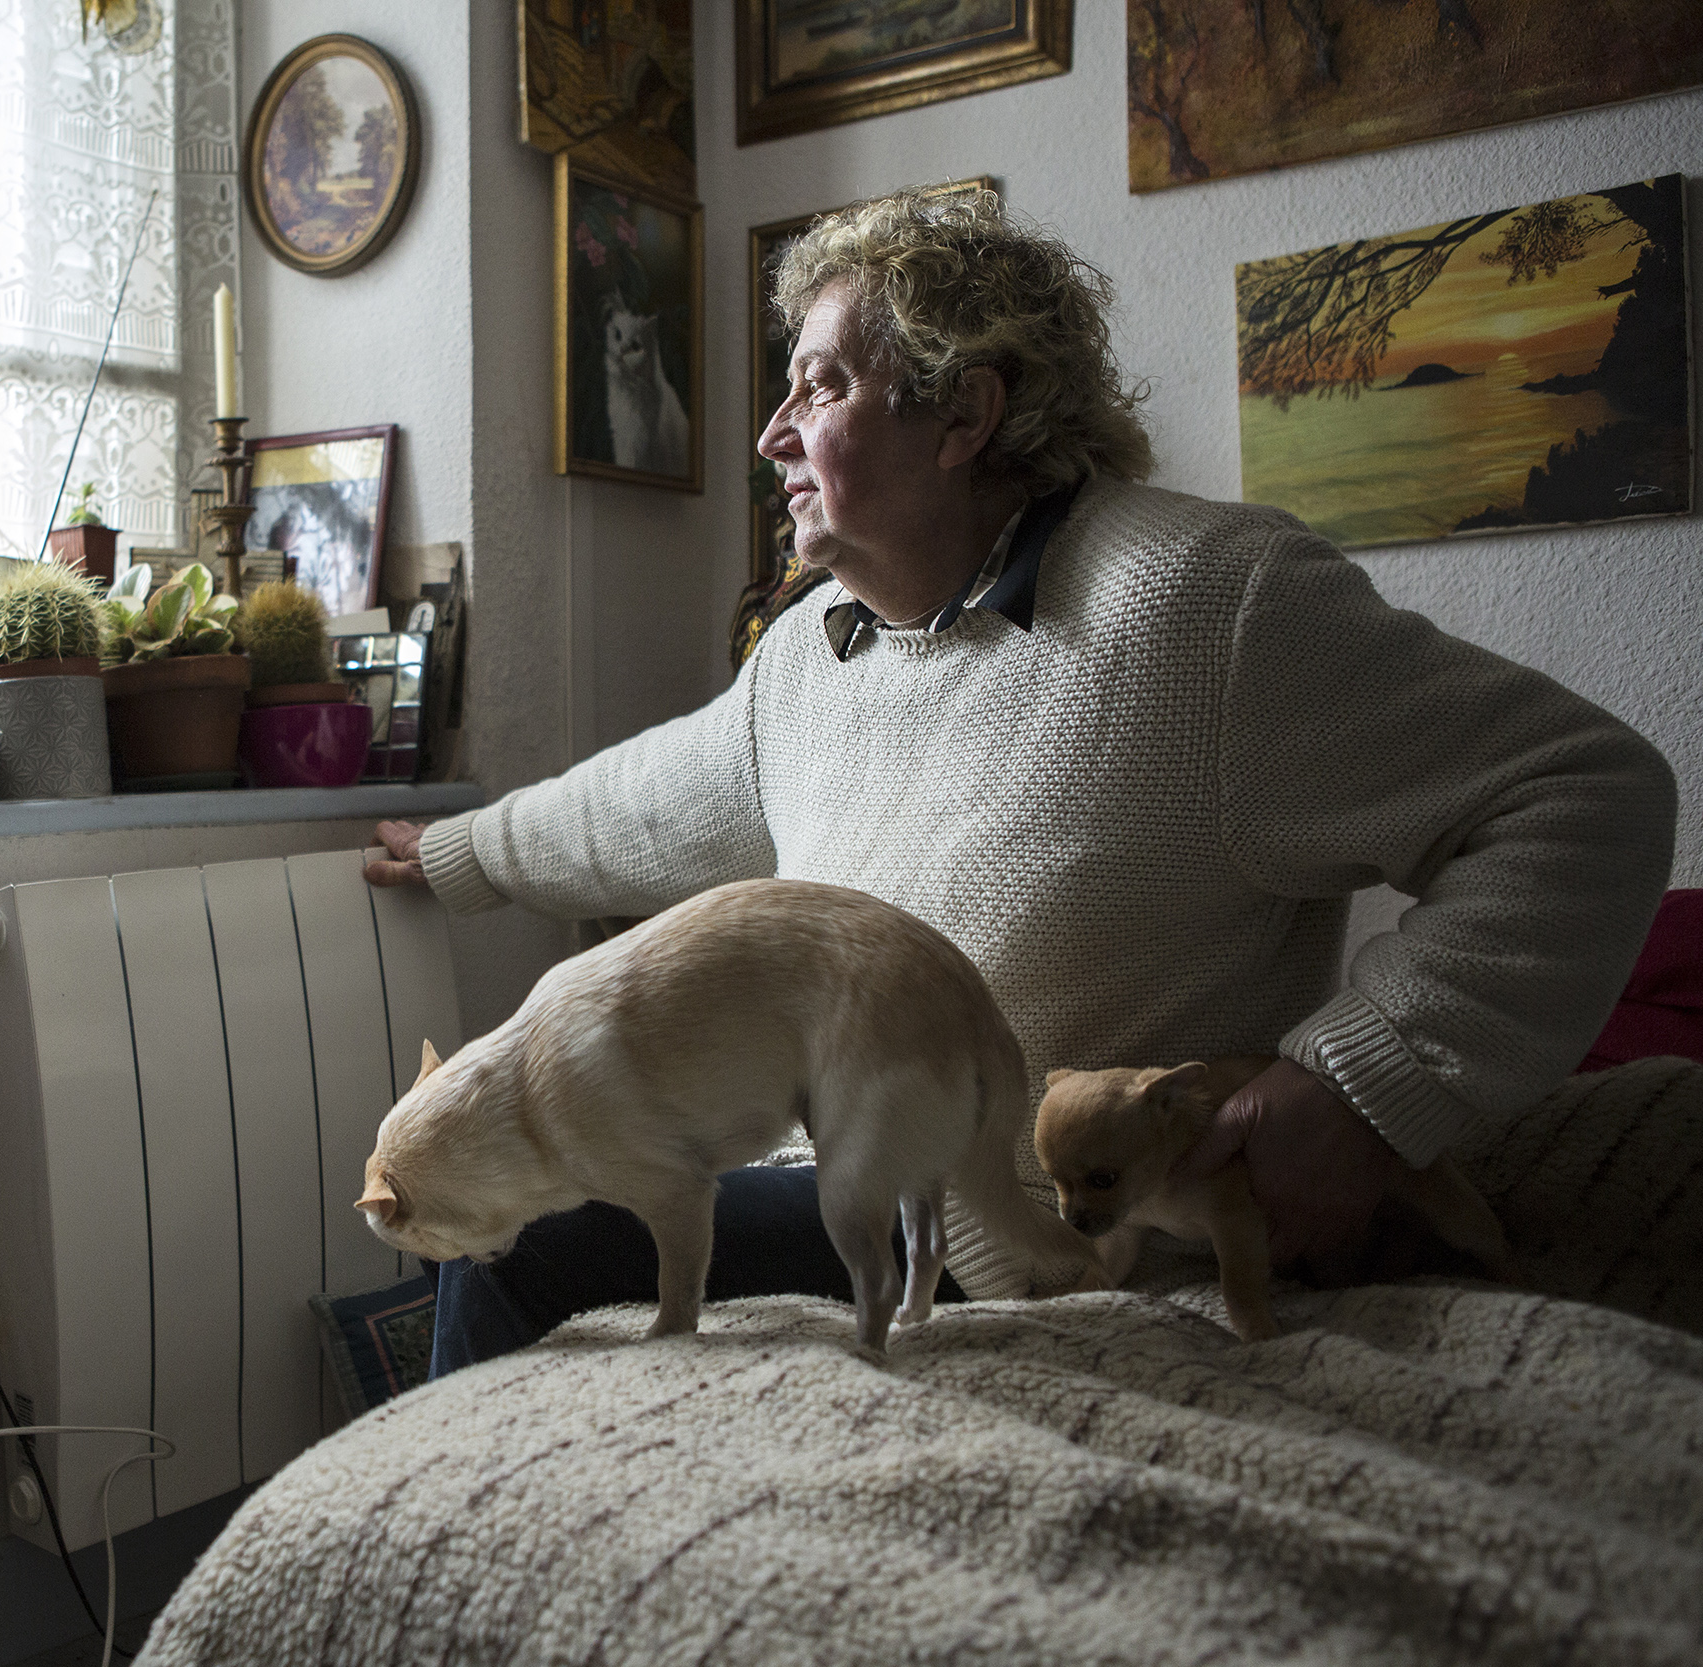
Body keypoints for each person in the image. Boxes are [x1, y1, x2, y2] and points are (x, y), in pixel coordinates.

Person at [364, 186, 1678, 1379]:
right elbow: (643, 806)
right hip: (845, 1195)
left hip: (1042, 1258)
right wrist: (461, 855)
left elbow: (1577, 794)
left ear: (964, 413)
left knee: (529, 1246)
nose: (770, 434)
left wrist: (1359, 1090)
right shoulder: (816, 655)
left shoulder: (1201, 605)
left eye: (817, 390)